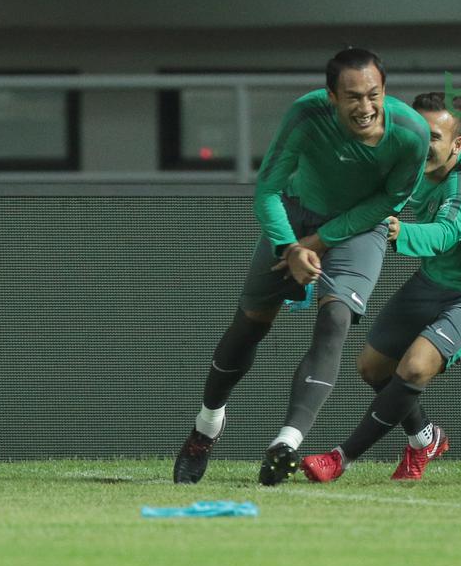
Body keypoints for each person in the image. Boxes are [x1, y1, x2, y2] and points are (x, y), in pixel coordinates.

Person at [172, 47, 430, 486]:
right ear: (331, 96)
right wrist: (291, 246)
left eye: (373, 95)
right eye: (352, 97)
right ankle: (206, 427)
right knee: (250, 325)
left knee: (336, 318)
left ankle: (285, 444)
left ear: (385, 91)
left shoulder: (412, 134)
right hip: (295, 215)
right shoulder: (305, 117)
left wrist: (323, 241)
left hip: (360, 227)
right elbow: (267, 190)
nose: (365, 107)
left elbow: (390, 201)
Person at [300, 91, 461, 484]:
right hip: (433, 280)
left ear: (457, 145)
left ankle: (340, 458)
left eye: (434, 137)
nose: (423, 144)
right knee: (371, 368)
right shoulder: (409, 166)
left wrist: (397, 230)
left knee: (415, 368)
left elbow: (447, 233)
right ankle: (426, 439)